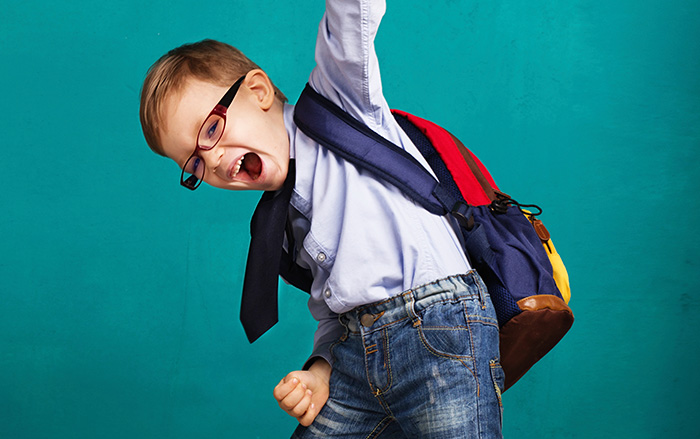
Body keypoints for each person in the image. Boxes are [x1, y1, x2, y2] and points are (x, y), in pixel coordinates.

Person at [139, 0, 504, 437]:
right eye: (194, 164)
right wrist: (318, 372)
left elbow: (352, 16)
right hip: (354, 358)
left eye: (212, 129)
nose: (212, 159)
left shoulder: (340, 104)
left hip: (438, 331)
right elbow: (334, 313)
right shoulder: (282, 225)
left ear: (257, 92)